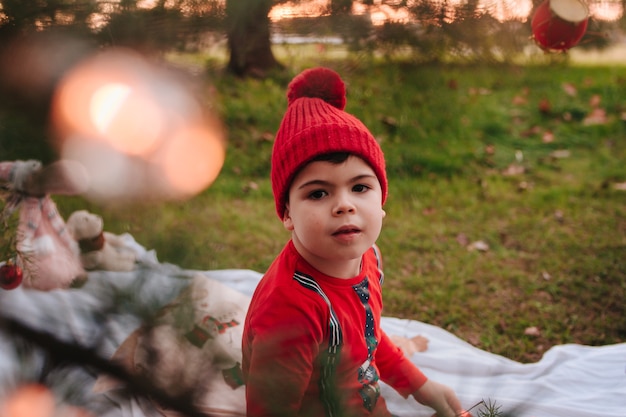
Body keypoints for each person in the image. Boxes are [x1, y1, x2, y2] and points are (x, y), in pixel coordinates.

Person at [242, 67, 468, 417]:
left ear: (381, 202)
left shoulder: (369, 258)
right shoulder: (289, 310)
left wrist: (421, 388)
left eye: (360, 187)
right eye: (318, 193)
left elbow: (367, 341)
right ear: (287, 213)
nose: (344, 204)